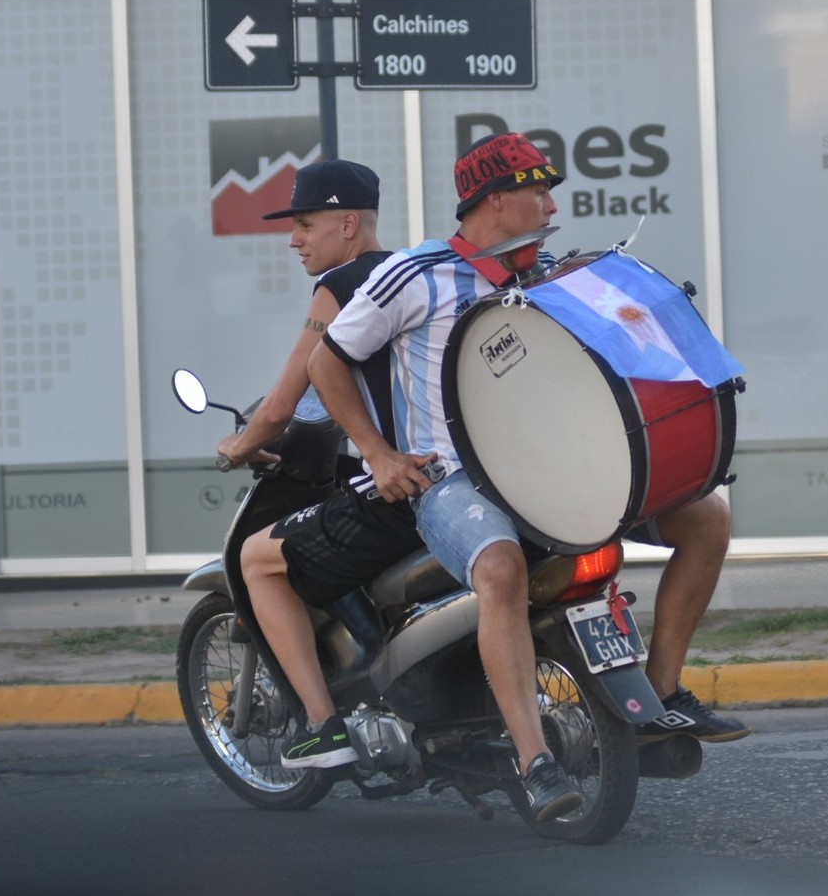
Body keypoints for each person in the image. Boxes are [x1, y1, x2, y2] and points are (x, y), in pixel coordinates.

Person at [310, 132, 748, 824]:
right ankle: (533, 758)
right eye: (537, 191)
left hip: (553, 468)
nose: (550, 204)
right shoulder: (413, 274)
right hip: (454, 482)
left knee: (709, 518)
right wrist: (379, 454)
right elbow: (327, 361)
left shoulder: (545, 274)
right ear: (491, 201)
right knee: (501, 570)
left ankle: (657, 698)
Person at [219, 158, 431, 773]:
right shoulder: (411, 274)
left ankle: (322, 724)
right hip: (453, 473)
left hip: (398, 483)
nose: (293, 240)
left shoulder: (342, 287)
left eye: (305, 224)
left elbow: (284, 401)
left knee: (257, 559)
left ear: (346, 224)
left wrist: (239, 444)